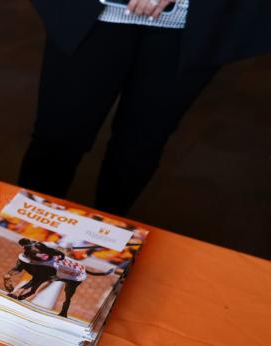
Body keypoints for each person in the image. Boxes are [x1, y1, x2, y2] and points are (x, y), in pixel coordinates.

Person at [20, 0, 271, 216]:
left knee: (138, 148)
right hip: (95, 14)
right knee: (58, 138)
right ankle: (17, 233)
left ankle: (107, 236)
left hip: (188, 21)